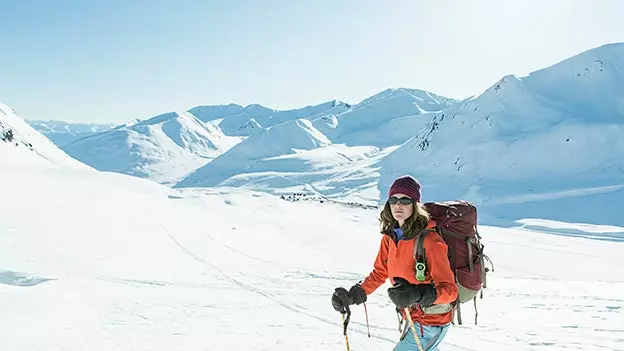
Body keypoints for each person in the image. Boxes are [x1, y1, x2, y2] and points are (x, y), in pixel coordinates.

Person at [331, 175, 458, 351]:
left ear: (415, 204)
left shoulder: (430, 241)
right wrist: (354, 294)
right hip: (412, 319)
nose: (398, 205)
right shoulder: (390, 237)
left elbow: (450, 291)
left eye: (405, 199)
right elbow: (380, 272)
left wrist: (418, 294)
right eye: (393, 199)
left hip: (431, 322)